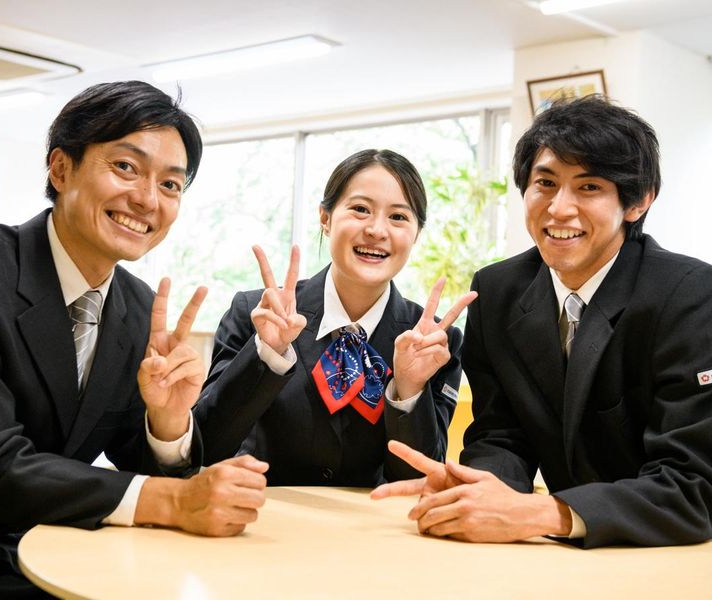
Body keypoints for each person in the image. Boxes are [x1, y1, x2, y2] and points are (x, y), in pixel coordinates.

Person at [0, 81, 267, 597]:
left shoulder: (137, 306)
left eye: (170, 184)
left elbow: (137, 465)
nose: (147, 199)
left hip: (58, 551)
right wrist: (174, 501)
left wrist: (167, 423)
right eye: (125, 167)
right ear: (61, 169)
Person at [372, 95, 712, 548]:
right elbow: (501, 436)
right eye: (545, 183)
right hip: (555, 556)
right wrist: (476, 487)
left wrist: (541, 512)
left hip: (672, 554)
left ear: (638, 202)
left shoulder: (690, 294)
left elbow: (692, 488)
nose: (559, 208)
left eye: (589, 187)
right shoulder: (498, 290)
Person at [195, 149, 475, 486]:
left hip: (370, 520)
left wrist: (409, 391)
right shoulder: (256, 313)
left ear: (416, 234)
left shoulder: (435, 343)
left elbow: (419, 480)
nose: (377, 230)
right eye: (360, 209)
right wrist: (266, 355)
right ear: (325, 219)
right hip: (260, 510)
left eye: (398, 217)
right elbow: (206, 447)